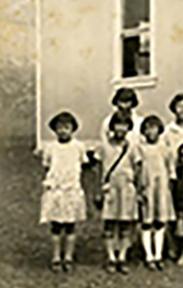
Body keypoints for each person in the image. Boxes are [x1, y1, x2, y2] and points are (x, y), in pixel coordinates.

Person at [40, 111, 89, 273]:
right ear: (54, 130)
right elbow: (47, 166)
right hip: (55, 189)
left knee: (70, 225)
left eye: (67, 127)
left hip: (71, 188)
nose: (63, 131)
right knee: (55, 225)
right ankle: (56, 256)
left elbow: (83, 165)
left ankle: (68, 256)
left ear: (73, 129)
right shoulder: (50, 148)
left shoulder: (78, 147)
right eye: (59, 127)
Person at [95, 112, 141, 274]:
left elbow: (138, 168)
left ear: (129, 128)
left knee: (125, 224)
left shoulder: (133, 147)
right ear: (112, 127)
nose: (120, 129)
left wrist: (138, 188)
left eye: (124, 125)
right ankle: (111, 257)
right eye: (117, 125)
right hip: (110, 188)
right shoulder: (104, 146)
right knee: (109, 224)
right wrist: (98, 189)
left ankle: (122, 256)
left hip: (127, 188)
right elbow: (98, 168)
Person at [138, 115, 175, 271]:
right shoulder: (139, 148)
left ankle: (158, 254)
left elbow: (170, 168)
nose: (150, 131)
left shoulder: (165, 148)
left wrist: (169, 186)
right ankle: (148, 255)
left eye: (154, 128)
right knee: (146, 222)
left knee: (160, 222)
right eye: (147, 128)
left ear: (159, 130)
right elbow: (137, 169)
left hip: (161, 188)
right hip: (147, 187)